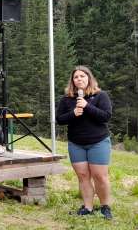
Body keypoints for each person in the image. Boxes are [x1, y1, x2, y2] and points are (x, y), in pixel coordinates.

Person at [56, 65, 113, 220]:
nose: (79, 79)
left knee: (100, 176)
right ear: (72, 81)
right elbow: (59, 119)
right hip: (76, 143)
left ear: (89, 78)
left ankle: (105, 207)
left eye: (82, 76)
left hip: (98, 142)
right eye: (76, 77)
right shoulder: (67, 99)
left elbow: (106, 116)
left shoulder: (101, 96)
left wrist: (87, 106)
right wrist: (73, 114)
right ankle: (88, 207)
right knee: (82, 176)